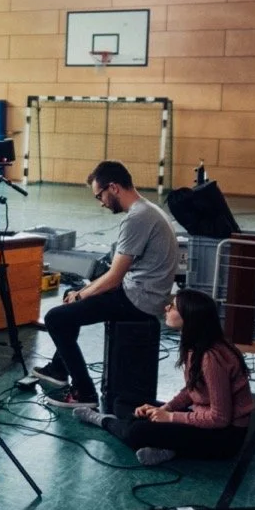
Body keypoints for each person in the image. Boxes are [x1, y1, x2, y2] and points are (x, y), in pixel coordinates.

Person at [34, 160, 179, 408]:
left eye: (99, 195)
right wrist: (79, 293)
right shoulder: (149, 209)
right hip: (144, 291)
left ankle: (85, 392)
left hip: (139, 300)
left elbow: (113, 279)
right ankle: (59, 368)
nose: (100, 203)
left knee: (56, 318)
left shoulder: (137, 218)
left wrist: (82, 297)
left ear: (113, 187)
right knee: (73, 293)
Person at [72, 288, 255, 466]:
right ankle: (168, 447)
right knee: (122, 401)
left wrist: (169, 417)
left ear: (189, 317)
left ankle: (102, 420)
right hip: (200, 416)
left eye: (173, 307)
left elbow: (220, 418)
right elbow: (191, 391)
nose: (167, 308)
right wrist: (164, 409)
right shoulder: (196, 345)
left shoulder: (211, 357)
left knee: (137, 432)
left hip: (224, 437)